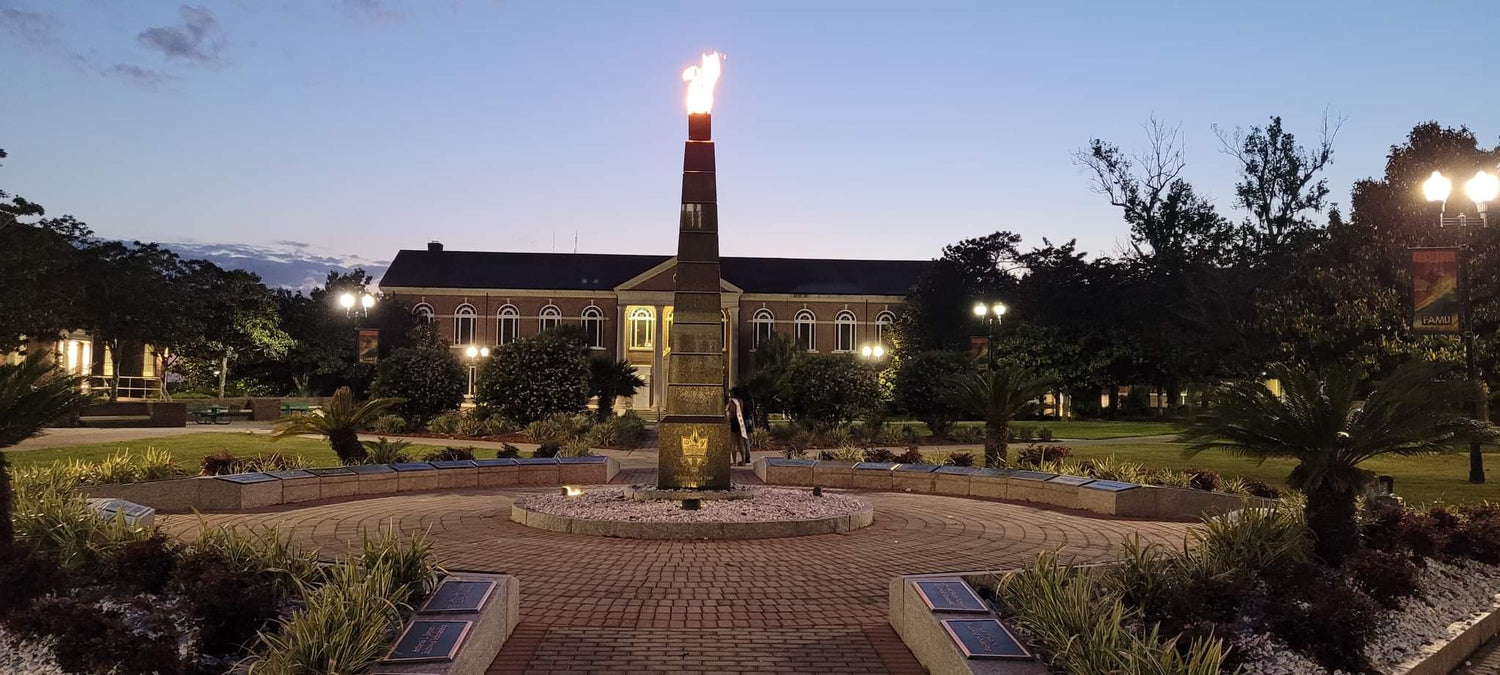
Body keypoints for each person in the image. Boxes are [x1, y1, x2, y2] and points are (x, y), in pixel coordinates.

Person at [726, 389, 753, 466]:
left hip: (734, 422)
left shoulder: (732, 402)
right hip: (741, 422)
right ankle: (743, 460)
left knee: (733, 443)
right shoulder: (741, 401)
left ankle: (734, 462)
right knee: (741, 442)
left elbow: (730, 412)